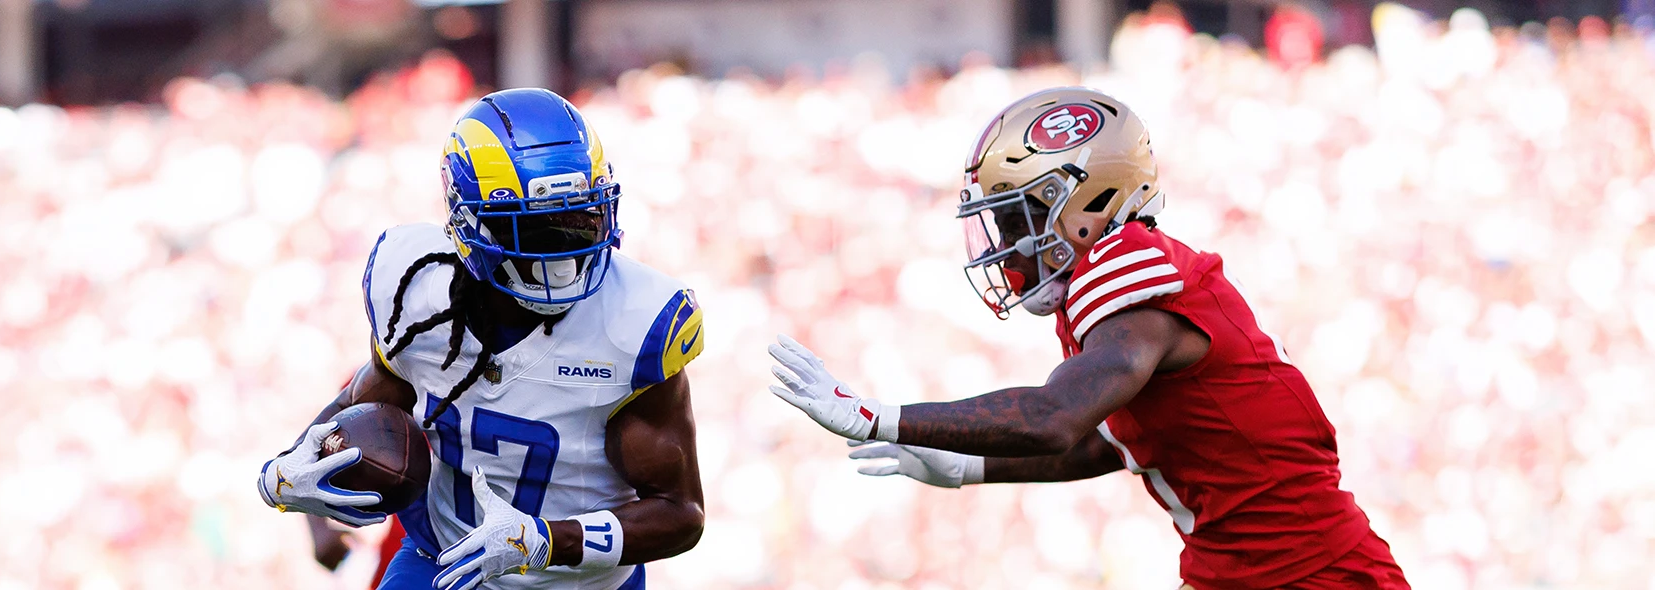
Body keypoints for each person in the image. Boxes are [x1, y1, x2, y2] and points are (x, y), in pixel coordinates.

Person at [767, 87, 1409, 589]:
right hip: (1245, 571)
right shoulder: (1115, 299)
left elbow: (1054, 419)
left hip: (1312, 576)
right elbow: (1107, 444)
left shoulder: (1127, 257)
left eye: (1016, 216)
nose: (1006, 246)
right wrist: (969, 465)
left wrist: (884, 418)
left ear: (1089, 205)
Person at [257, 88, 707, 590]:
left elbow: (680, 513)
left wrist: (543, 541)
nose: (564, 260)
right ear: (470, 226)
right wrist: (281, 473)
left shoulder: (636, 325)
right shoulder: (417, 292)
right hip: (442, 565)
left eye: (581, 222)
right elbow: (364, 403)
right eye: (537, 233)